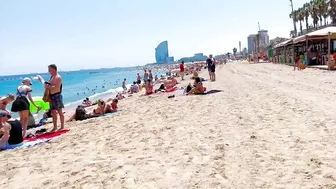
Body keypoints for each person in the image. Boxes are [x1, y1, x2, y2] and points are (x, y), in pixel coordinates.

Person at [45, 64, 65, 132]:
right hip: (51, 96)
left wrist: (48, 87)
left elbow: (57, 88)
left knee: (60, 112)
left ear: (54, 69)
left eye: (49, 69)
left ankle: (62, 126)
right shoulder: (52, 77)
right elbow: (50, 85)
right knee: (53, 112)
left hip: (57, 96)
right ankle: (55, 127)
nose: (49, 71)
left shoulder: (58, 77)